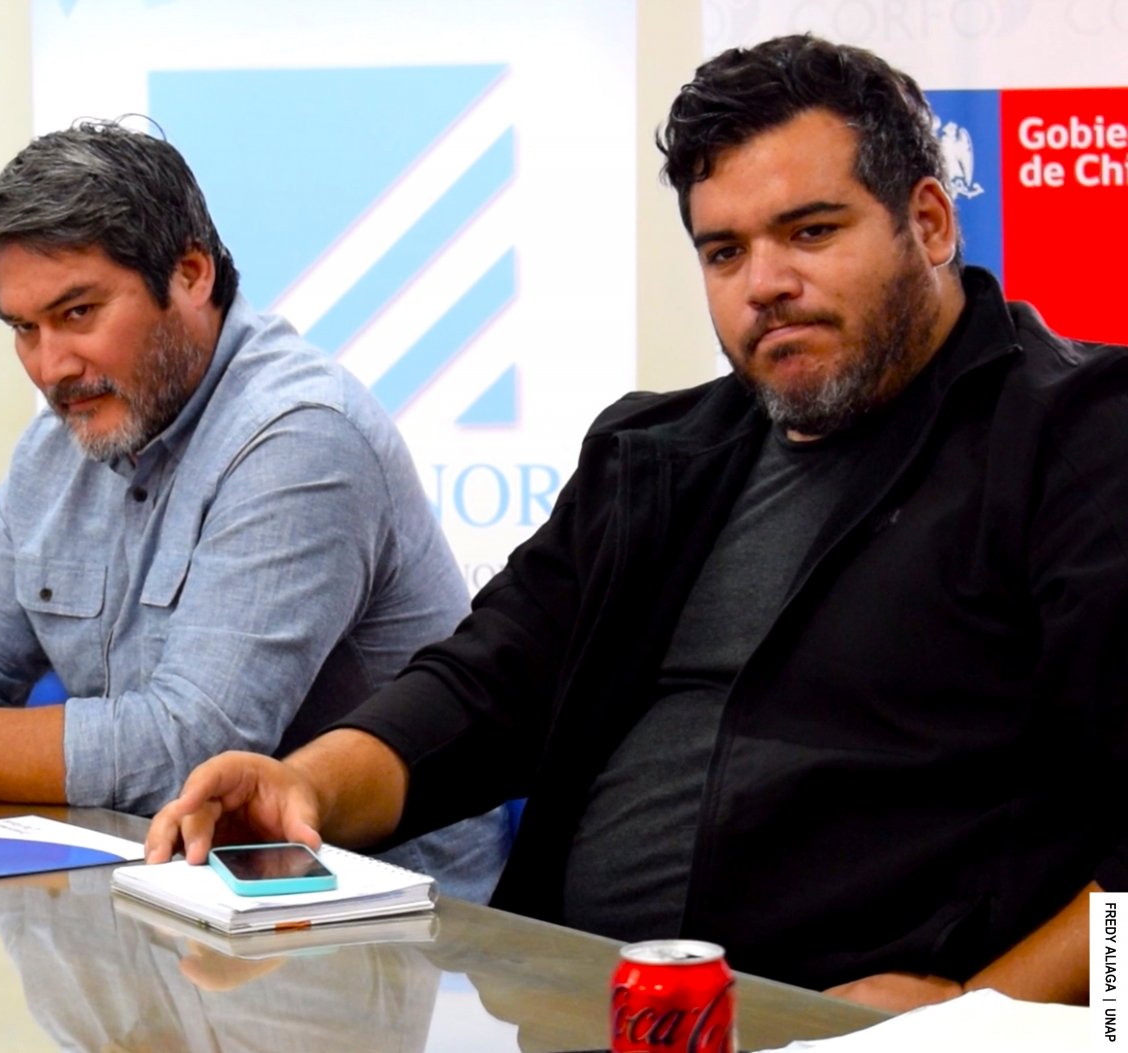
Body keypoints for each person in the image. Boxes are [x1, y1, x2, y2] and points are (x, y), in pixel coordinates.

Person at [146, 34, 1128, 1011]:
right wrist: (304, 787)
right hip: (573, 1005)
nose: (765, 283)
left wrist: (983, 1014)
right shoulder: (654, 453)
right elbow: (483, 687)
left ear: (930, 223)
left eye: (811, 232)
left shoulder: (1083, 436)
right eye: (725, 252)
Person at [0, 122, 510, 904]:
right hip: (146, 886)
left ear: (191, 274)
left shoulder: (302, 436)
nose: (50, 366)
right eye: (24, 328)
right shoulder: (59, 441)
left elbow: (186, 747)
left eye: (79, 313)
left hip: (360, 914)